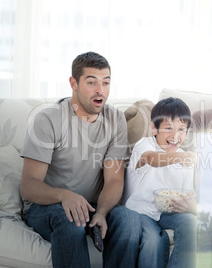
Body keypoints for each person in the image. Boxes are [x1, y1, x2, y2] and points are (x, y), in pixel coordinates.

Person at [20, 52, 141, 268]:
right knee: (70, 219)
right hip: (48, 206)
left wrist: (102, 213)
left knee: (129, 220)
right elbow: (28, 186)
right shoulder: (48, 120)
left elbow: (114, 180)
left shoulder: (115, 119)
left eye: (106, 83)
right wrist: (64, 196)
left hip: (92, 206)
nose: (100, 90)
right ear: (73, 83)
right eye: (91, 82)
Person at [124, 97, 197, 268]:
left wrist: (191, 207)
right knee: (153, 241)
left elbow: (186, 195)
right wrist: (182, 157)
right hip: (141, 212)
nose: (175, 136)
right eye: (168, 128)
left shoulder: (185, 160)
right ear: (153, 128)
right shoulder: (144, 145)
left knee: (191, 224)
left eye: (181, 130)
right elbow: (151, 159)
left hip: (168, 213)